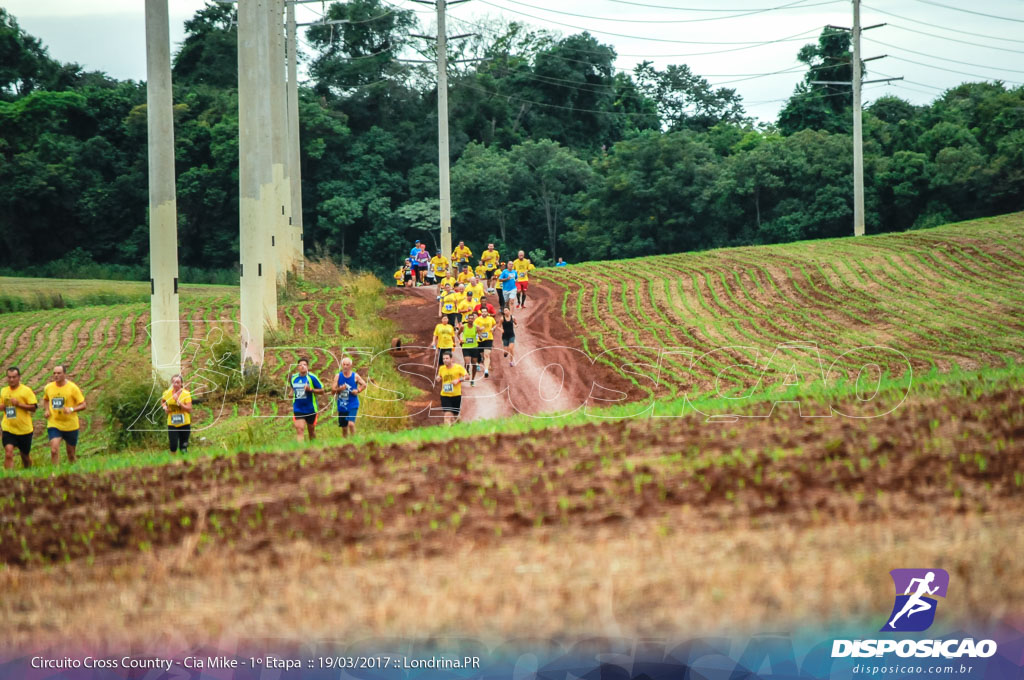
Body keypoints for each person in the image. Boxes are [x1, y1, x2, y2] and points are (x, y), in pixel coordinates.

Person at [42, 364, 86, 465]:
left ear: (64, 374)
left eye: (59, 373)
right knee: (54, 450)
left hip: (70, 425)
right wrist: (47, 410)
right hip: (54, 424)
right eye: (54, 373)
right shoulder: (49, 387)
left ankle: (74, 473)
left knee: (71, 454)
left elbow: (84, 405)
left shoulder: (72, 388)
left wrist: (71, 409)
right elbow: (46, 400)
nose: (56, 375)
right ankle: (55, 474)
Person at [2, 366, 37, 470]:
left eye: (14, 377)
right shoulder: (3, 391)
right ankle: (8, 479)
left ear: (19, 377)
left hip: (24, 430)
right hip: (8, 428)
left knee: (25, 456)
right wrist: (3, 406)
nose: (11, 380)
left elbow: (33, 407)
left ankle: (29, 472)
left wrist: (19, 404)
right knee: (8, 453)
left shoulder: (26, 391)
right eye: (9, 377)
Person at [290, 358, 324, 443]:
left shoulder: (312, 377)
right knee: (300, 429)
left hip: (311, 408)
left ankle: (313, 450)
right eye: (300, 365)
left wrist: (310, 389)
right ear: (298, 367)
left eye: (304, 365)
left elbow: (322, 391)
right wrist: (291, 393)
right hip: (298, 408)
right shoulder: (293, 378)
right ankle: (300, 452)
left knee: (311, 431)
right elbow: (292, 388)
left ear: (308, 367)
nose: (302, 367)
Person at [333, 357, 367, 438]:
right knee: (344, 429)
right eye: (344, 364)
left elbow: (364, 384)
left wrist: (358, 390)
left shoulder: (355, 376)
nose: (345, 366)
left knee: (351, 424)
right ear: (341, 365)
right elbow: (333, 391)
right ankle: (346, 445)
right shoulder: (338, 376)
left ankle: (354, 441)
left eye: (347, 365)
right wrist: (339, 389)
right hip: (342, 405)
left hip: (353, 404)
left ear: (350, 366)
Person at [161, 374, 193, 454]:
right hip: (172, 423)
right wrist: (165, 407)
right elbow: (163, 401)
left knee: (183, 447)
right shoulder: (167, 393)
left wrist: (178, 401)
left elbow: (189, 409)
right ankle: (173, 463)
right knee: (173, 445)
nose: (175, 384)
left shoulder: (186, 394)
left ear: (181, 383)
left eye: (177, 382)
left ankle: (184, 463)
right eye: (173, 382)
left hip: (184, 423)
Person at [437, 352, 468, 426]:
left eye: (447, 358)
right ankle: (447, 434)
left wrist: (458, 380)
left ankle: (459, 427)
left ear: (451, 359)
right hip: (445, 395)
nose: (445, 360)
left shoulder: (458, 367)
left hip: (456, 395)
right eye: (443, 359)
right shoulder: (441, 368)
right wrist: (438, 378)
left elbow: (467, 376)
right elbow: (440, 376)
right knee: (447, 415)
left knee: (456, 416)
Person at [474, 307, 497, 378]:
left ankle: (486, 370)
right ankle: (481, 360)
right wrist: (478, 329)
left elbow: (495, 324)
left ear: (487, 312)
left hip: (489, 339)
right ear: (481, 312)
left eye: (485, 312)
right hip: (480, 339)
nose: (484, 313)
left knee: (487, 354)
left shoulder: (491, 319)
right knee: (481, 355)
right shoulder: (477, 320)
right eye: (483, 312)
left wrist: (493, 328)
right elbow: (474, 328)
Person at [460, 311, 481, 386]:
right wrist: (460, 340)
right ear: (467, 319)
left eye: (472, 319)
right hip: (466, 347)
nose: (471, 320)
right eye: (469, 318)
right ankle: (467, 370)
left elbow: (479, 335)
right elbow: (458, 333)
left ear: (473, 319)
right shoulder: (463, 326)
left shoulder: (476, 327)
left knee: (474, 364)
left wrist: (480, 337)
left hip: (474, 347)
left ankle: (472, 380)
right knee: (467, 362)